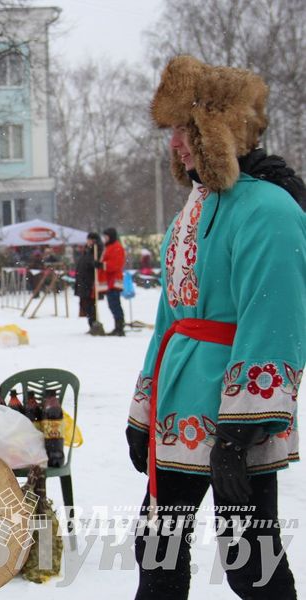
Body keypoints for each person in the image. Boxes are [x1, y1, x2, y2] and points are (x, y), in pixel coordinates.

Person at [126, 55, 305, 599]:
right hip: (178, 410)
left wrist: (241, 431)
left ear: (216, 131)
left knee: (249, 558)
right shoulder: (196, 206)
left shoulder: (270, 211)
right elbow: (168, 320)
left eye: (184, 128)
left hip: (233, 417)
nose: (174, 144)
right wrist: (143, 411)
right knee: (156, 547)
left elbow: (276, 321)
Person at [97, 227, 126, 336]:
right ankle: (117, 325)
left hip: (114, 281)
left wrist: (102, 265)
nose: (104, 239)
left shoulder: (117, 247)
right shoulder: (108, 247)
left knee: (115, 304)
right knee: (112, 304)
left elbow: (116, 264)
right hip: (109, 280)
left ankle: (119, 327)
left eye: (106, 236)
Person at [73, 232, 103, 335]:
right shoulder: (87, 251)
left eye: (90, 239)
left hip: (90, 282)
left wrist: (95, 264)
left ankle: (94, 324)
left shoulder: (97, 250)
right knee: (85, 304)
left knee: (91, 305)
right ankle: (91, 324)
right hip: (83, 281)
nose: (88, 241)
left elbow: (97, 264)